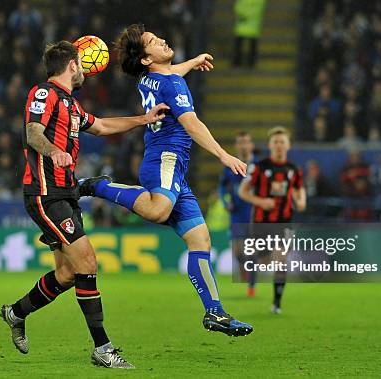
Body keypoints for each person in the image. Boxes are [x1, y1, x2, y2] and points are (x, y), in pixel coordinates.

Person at [0, 40, 167, 369]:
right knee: (87, 263)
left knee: (66, 274)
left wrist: (144, 118)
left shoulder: (71, 105)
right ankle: (102, 348)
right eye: (81, 64)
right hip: (45, 193)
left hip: (66, 192)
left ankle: (15, 313)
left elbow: (103, 126)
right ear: (72, 65)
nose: (86, 70)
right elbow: (33, 131)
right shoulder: (44, 94)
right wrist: (53, 151)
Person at [79, 24, 253, 337]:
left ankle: (215, 312)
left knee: (200, 240)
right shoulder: (171, 82)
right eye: (152, 42)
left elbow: (170, 73)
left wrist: (191, 62)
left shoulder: (153, 78)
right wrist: (223, 156)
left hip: (174, 169)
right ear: (146, 59)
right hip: (166, 161)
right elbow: (193, 124)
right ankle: (99, 186)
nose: (161, 39)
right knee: (158, 210)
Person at [238, 127, 306, 314]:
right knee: (265, 261)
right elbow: (242, 192)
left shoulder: (293, 170)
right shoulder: (259, 168)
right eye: (275, 142)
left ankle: (277, 303)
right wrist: (260, 201)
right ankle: (253, 272)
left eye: (282, 142)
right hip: (261, 222)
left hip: (284, 221)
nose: (279, 145)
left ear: (288, 145)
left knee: (281, 258)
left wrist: (301, 201)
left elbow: (300, 189)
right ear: (270, 145)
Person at [219, 131, 257, 295]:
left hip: (253, 213)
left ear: (251, 145)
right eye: (240, 142)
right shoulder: (230, 165)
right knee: (237, 252)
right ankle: (243, 269)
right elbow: (222, 187)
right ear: (236, 145)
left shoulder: (257, 166)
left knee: (251, 250)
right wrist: (225, 202)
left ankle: (251, 286)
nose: (243, 145)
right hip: (236, 212)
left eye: (246, 142)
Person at [232, 0, 266, 67]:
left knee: (245, 46)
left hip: (245, 25)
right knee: (246, 46)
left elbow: (237, 7)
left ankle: (240, 62)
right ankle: (248, 63)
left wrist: (243, 14)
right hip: (251, 26)